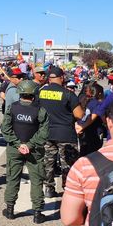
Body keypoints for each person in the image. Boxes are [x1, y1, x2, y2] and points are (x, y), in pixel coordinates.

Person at [1, 80, 49, 224]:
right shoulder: (40, 110)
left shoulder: (12, 108)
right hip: (34, 150)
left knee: (12, 178)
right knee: (36, 180)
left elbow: (5, 129)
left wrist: (18, 144)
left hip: (14, 149)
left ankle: (10, 210)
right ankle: (37, 213)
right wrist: (29, 144)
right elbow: (44, 133)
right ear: (34, 94)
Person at [38, 66, 84, 198]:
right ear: (62, 78)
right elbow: (79, 115)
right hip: (66, 134)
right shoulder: (68, 94)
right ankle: (68, 189)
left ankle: (49, 188)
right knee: (68, 164)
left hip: (47, 133)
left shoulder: (41, 92)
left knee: (48, 162)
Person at [78, 83, 105, 156]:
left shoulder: (84, 100)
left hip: (83, 130)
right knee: (93, 154)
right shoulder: (97, 104)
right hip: (93, 131)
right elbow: (92, 118)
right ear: (99, 93)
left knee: (83, 151)